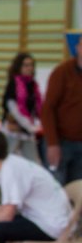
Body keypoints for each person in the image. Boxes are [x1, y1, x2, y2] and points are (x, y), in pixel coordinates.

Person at [40, 37, 82, 185]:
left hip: (80, 143)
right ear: (78, 48)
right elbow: (47, 109)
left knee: (77, 191)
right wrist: (52, 143)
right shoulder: (62, 72)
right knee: (55, 189)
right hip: (60, 142)